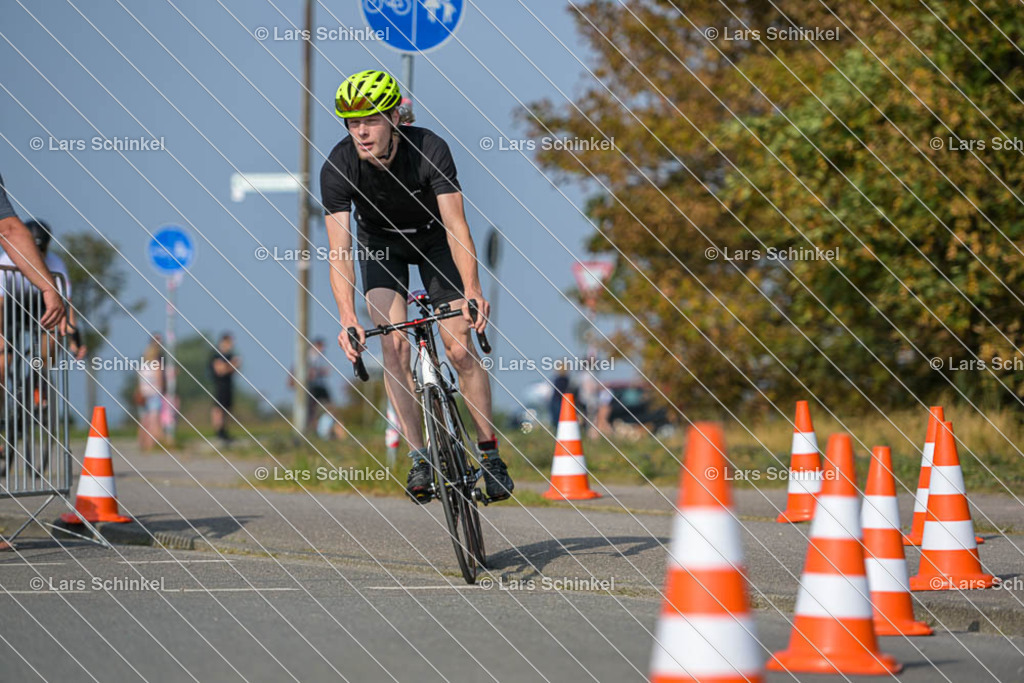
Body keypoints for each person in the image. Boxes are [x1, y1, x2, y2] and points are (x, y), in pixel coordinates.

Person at [320, 70, 514, 503]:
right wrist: (347, 317)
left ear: (393, 117)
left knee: (460, 349)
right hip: (381, 247)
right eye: (352, 123)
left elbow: (457, 226)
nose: (362, 131)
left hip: (434, 242)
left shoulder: (429, 147)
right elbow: (339, 251)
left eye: (370, 120)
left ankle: (489, 453)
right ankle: (420, 457)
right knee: (394, 347)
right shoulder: (339, 165)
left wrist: (472, 289)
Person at [208, 332, 240, 443]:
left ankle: (225, 431)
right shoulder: (217, 354)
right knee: (218, 409)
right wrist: (232, 365)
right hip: (219, 385)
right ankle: (218, 432)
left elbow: (234, 368)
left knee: (228, 408)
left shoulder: (230, 356)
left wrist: (230, 366)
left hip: (229, 385)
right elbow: (220, 370)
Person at [135, 333, 165, 451]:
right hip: (153, 394)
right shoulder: (156, 364)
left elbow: (139, 382)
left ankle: (142, 443)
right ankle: (152, 445)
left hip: (143, 394)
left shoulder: (143, 365)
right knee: (154, 420)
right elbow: (159, 381)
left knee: (144, 420)